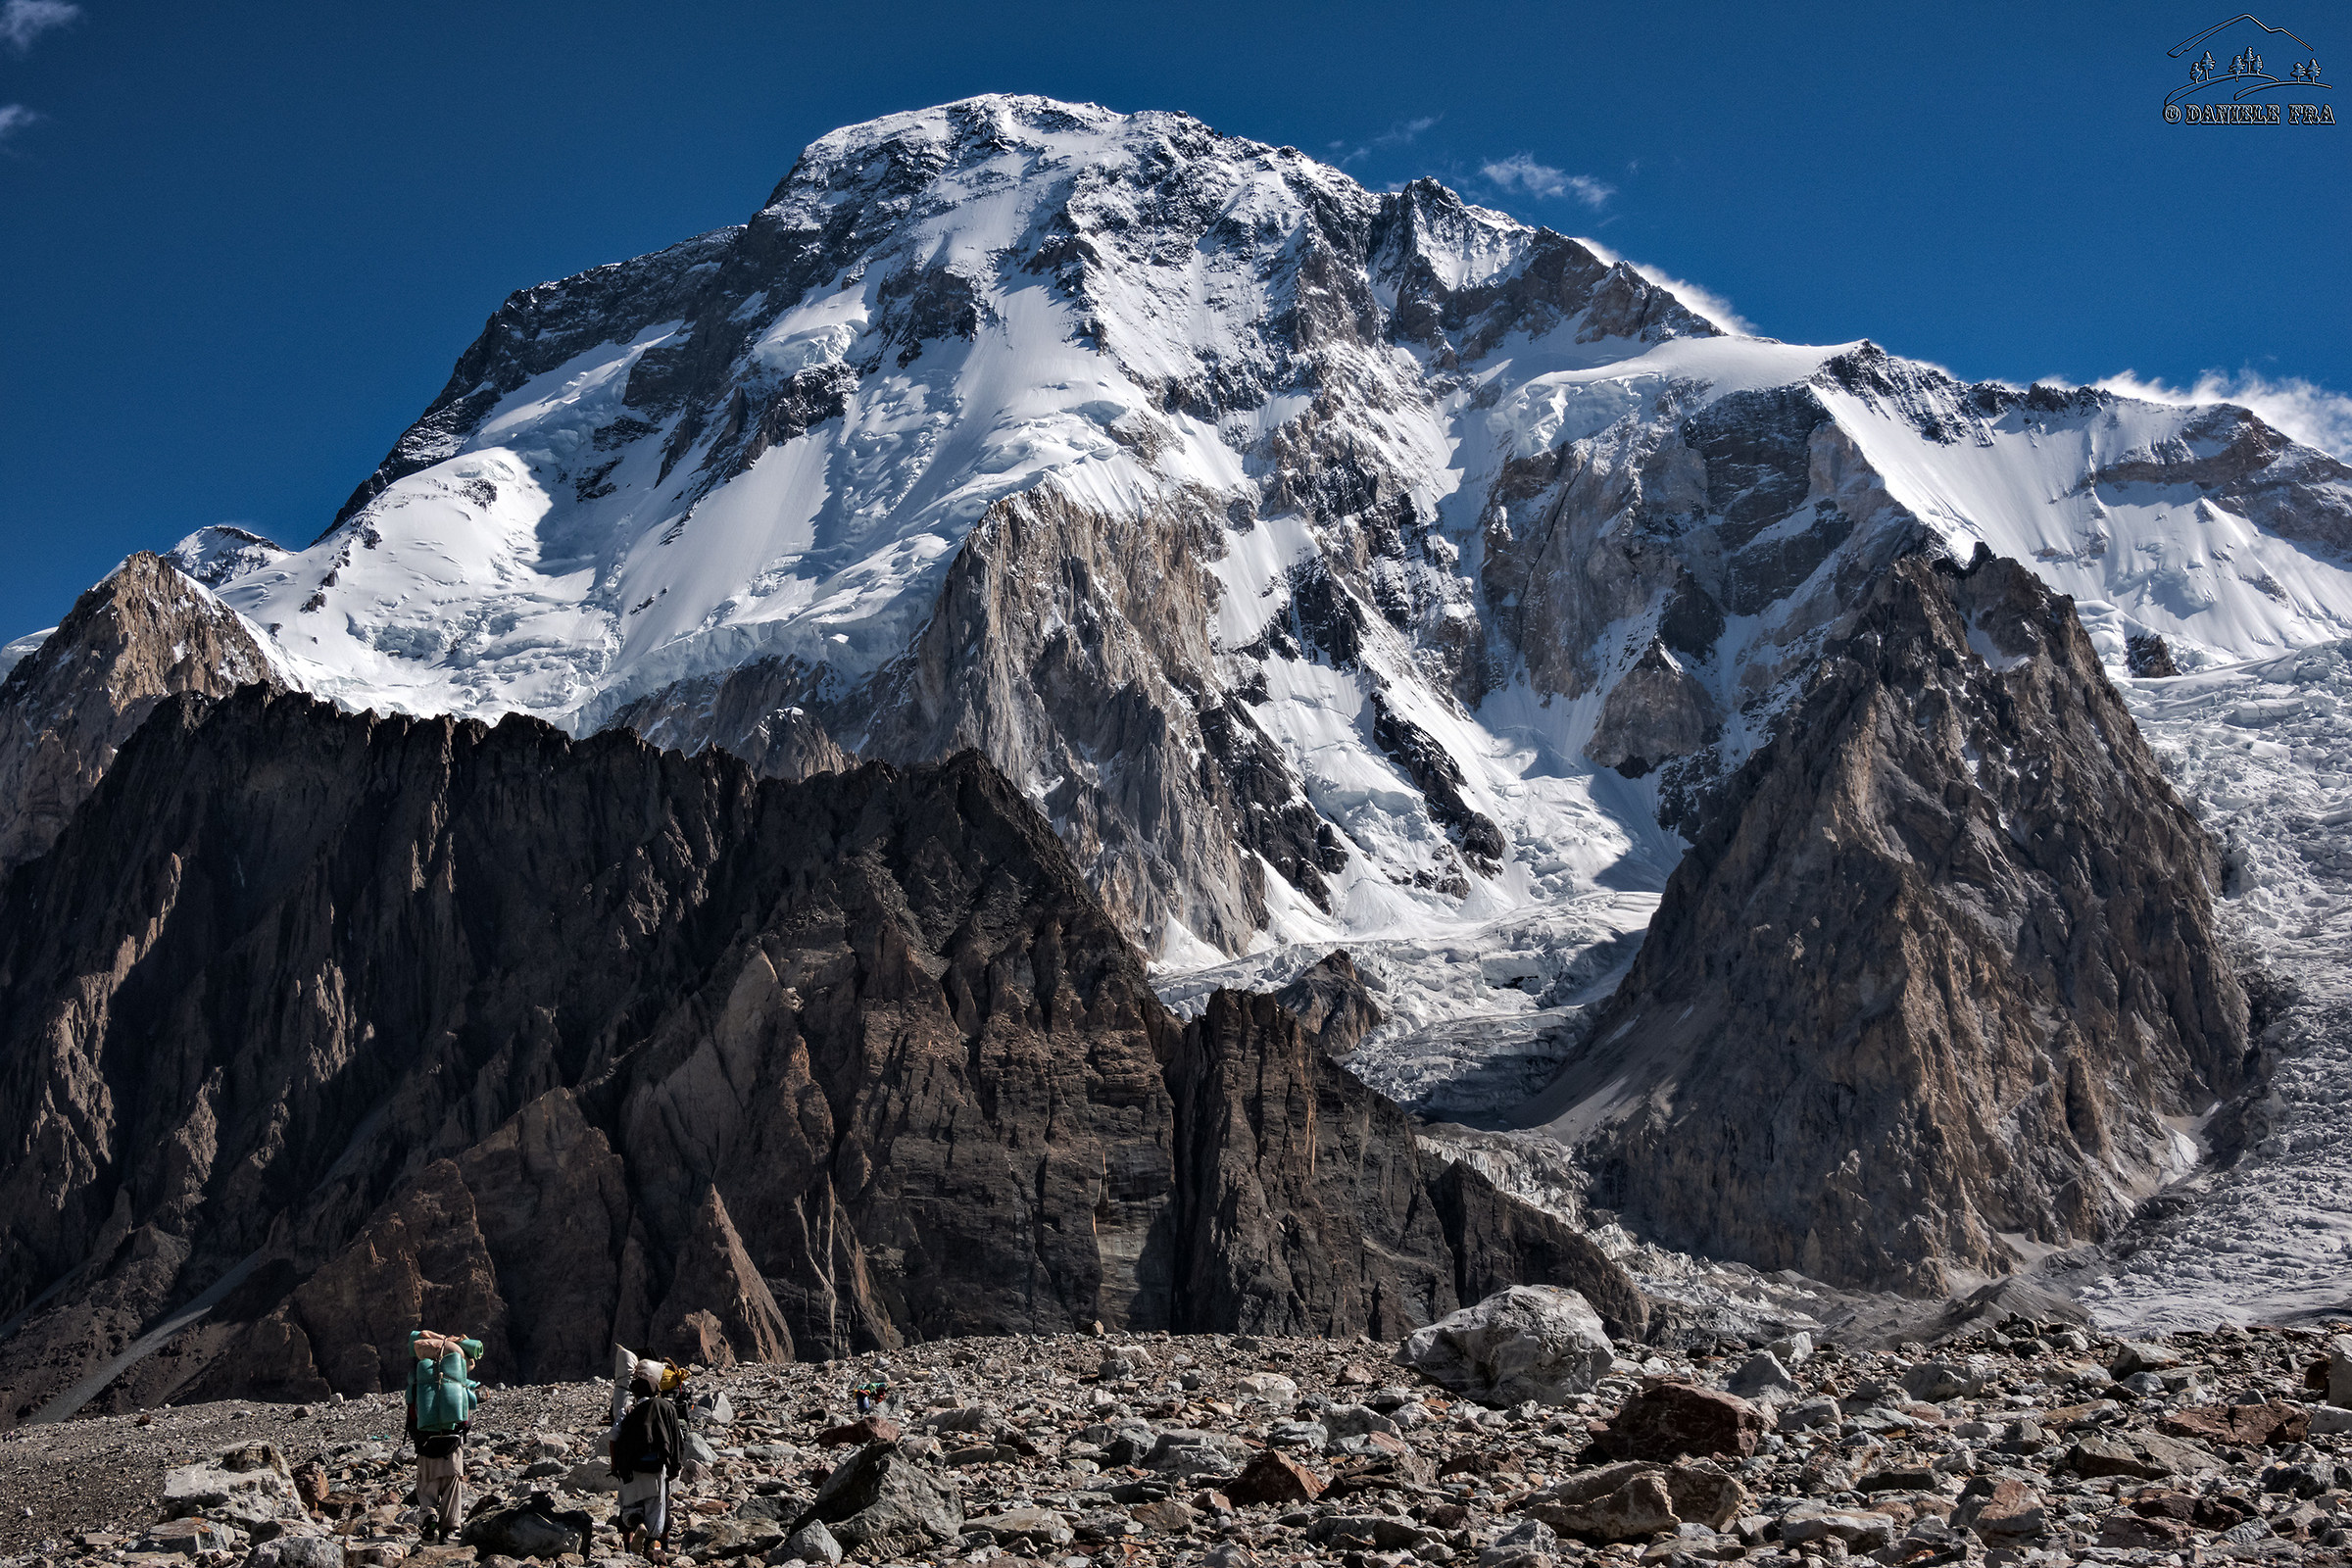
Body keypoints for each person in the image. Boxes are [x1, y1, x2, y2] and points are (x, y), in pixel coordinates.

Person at [404, 1333, 483, 1544]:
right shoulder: (458, 1382)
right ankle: (450, 1530)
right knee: (452, 1488)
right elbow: (466, 1419)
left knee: (426, 1487)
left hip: (426, 1446)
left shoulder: (420, 1383)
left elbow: (412, 1416)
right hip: (452, 1446)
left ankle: (429, 1516)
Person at [606, 1358, 684, 1559]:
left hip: (630, 1470)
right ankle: (656, 1551)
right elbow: (676, 1439)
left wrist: (616, 1466)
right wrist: (675, 1468)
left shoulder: (628, 1410)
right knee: (656, 1510)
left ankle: (630, 1544)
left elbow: (613, 1437)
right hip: (657, 1468)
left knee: (629, 1507)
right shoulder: (666, 1407)